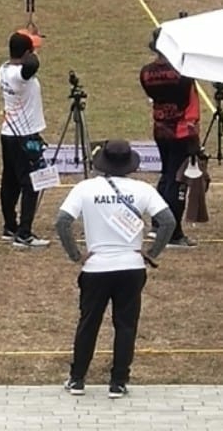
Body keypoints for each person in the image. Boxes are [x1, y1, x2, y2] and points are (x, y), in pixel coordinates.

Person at [55, 139, 175, 398]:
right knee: (126, 324)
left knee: (88, 323)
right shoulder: (143, 189)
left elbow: (62, 222)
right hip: (131, 267)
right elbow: (167, 221)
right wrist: (151, 254)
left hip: (96, 267)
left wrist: (76, 255)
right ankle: (118, 381)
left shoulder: (85, 188)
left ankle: (77, 379)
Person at [139, 28, 200, 247]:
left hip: (160, 129)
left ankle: (158, 223)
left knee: (166, 175)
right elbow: (190, 105)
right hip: (182, 131)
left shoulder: (146, 72)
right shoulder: (183, 74)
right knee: (177, 181)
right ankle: (173, 232)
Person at [0, 27, 48, 249]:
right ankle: (24, 234)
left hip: (9, 134)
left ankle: (10, 226)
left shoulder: (4, 69)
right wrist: (32, 51)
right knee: (30, 184)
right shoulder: (20, 75)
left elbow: (28, 63)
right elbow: (32, 65)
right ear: (26, 54)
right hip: (24, 136)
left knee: (10, 182)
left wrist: (30, 43)